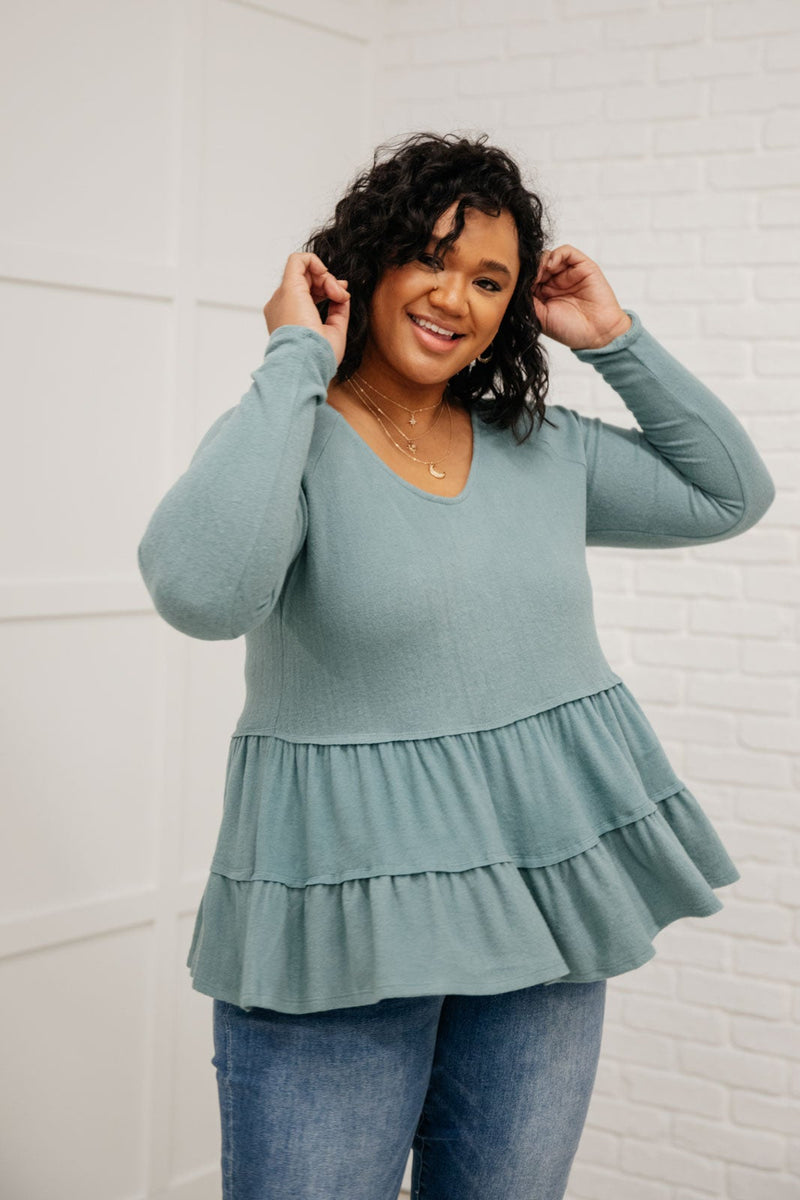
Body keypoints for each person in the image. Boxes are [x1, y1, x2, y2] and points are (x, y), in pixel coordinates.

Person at [137, 132, 776, 1200]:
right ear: (368, 262)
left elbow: (729, 495)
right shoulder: (289, 439)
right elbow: (198, 594)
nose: (454, 298)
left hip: (544, 911)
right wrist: (294, 358)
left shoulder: (541, 445)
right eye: (431, 259)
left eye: (489, 280)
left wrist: (613, 339)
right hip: (341, 931)